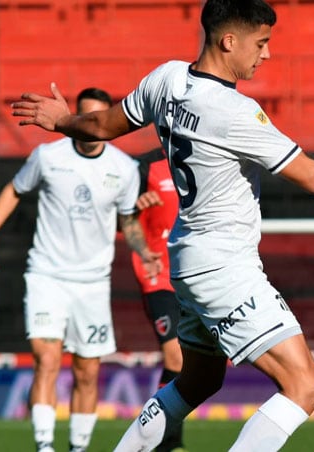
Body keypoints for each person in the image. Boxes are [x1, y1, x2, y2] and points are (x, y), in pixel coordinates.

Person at [11, 1, 314, 450]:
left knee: (198, 380)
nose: (265, 55)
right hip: (224, 266)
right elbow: (312, 174)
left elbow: (103, 125)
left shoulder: (166, 79)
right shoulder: (235, 112)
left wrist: (61, 121)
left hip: (186, 258)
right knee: (304, 385)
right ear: (230, 41)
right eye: (261, 43)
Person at [0, 87, 161, 452]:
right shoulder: (48, 156)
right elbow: (14, 190)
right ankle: (44, 446)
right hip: (47, 275)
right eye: (86, 118)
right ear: (76, 117)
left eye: (99, 120)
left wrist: (143, 249)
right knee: (46, 360)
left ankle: (78, 448)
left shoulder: (123, 169)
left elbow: (128, 221)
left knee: (87, 371)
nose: (92, 126)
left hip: (92, 283)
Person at [130, 148, 186, 452]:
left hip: (193, 273)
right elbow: (123, 220)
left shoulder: (204, 157)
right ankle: (168, 443)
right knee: (175, 357)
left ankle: (164, 438)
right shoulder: (146, 166)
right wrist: (136, 210)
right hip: (157, 274)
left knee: (190, 363)